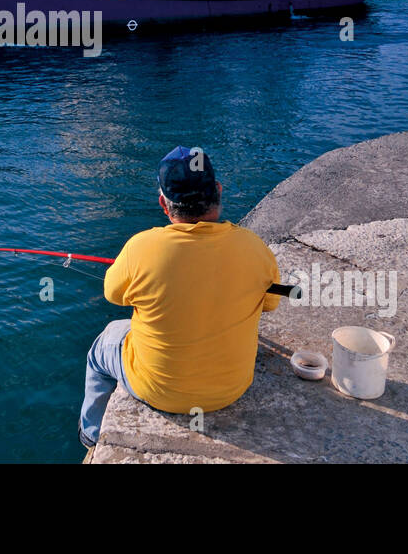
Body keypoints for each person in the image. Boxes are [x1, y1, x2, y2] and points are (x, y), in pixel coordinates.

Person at [78, 146, 282, 450]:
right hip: (232, 389)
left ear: (164, 203)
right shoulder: (256, 249)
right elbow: (270, 303)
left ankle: (90, 435)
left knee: (102, 346)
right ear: (219, 191)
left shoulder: (141, 247)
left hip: (159, 391)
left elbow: (113, 294)